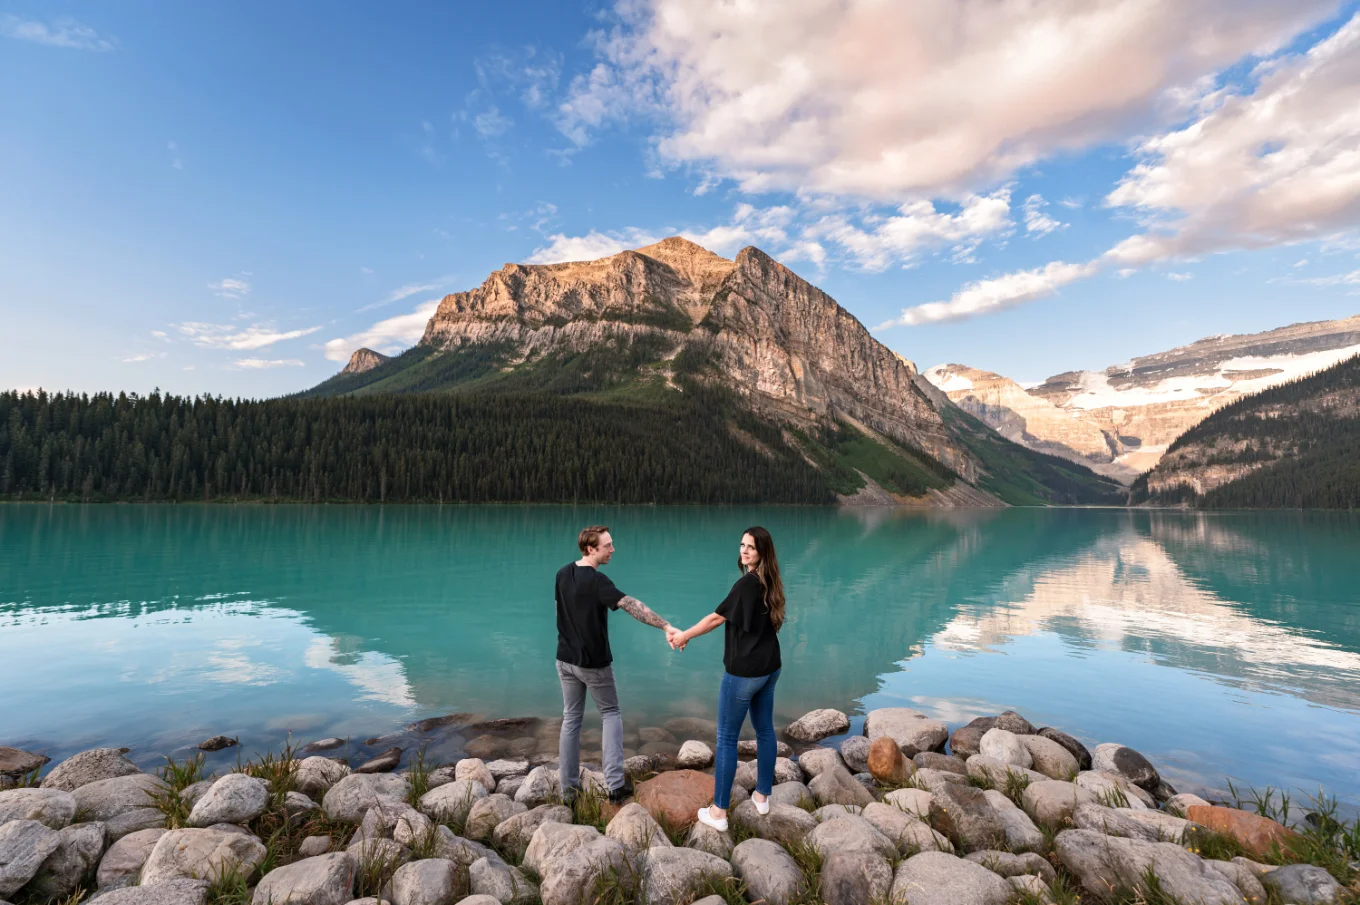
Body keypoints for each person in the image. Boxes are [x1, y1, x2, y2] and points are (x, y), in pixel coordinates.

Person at [667, 526, 785, 832]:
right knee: (764, 731)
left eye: (751, 547)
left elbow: (716, 618)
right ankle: (762, 796)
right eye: (742, 545)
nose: (744, 551)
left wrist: (684, 636)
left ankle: (719, 812)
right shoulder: (769, 580)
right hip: (770, 668)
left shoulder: (747, 584)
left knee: (727, 738)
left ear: (762, 553)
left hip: (744, 672)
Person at [556, 524, 676, 805]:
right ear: (590, 549)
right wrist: (665, 626)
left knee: (571, 720)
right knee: (611, 713)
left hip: (564, 659)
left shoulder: (562, 574)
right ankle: (614, 784)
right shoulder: (599, 582)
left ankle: (569, 792)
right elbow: (632, 605)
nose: (613, 549)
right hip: (593, 664)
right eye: (607, 545)